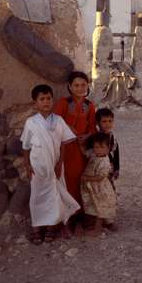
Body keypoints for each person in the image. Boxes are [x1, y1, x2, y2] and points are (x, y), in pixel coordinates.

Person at [21, 84, 80, 245]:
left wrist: (60, 163)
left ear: (52, 100)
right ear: (35, 103)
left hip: (54, 167)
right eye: (42, 99)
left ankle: (51, 228)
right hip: (38, 167)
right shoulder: (31, 123)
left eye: (48, 98)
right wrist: (27, 165)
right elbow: (26, 146)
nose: (46, 102)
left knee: (53, 198)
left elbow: (63, 144)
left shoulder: (58, 121)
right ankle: (36, 229)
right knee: (37, 198)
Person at [53, 71, 96, 232]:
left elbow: (92, 125)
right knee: (67, 180)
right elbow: (56, 122)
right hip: (66, 149)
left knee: (81, 180)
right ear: (70, 87)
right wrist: (68, 129)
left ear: (87, 86)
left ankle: (81, 214)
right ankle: (67, 216)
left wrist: (87, 136)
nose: (80, 88)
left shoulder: (90, 106)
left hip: (82, 149)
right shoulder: (63, 103)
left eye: (83, 85)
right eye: (76, 85)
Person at [81, 132, 117, 236]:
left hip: (101, 189)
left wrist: (87, 178)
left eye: (102, 147)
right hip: (94, 189)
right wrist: (80, 144)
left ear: (108, 148)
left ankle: (98, 229)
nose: (99, 150)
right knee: (95, 207)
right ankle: (97, 224)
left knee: (100, 209)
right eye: (96, 147)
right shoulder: (94, 155)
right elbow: (84, 153)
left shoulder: (105, 161)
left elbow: (101, 177)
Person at [95, 108, 120, 184]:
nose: (107, 124)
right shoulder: (96, 137)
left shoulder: (113, 137)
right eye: (104, 121)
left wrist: (117, 169)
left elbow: (116, 154)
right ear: (98, 123)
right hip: (98, 168)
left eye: (110, 121)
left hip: (110, 167)